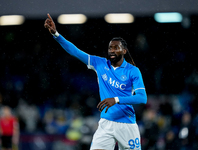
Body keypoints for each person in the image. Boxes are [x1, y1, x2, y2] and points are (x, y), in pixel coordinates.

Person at [44, 13, 147, 150]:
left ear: (124, 51)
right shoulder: (99, 64)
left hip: (127, 124)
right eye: (110, 47)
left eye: (116, 47)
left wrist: (116, 99)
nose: (112, 50)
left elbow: (142, 98)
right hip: (106, 123)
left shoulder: (133, 71)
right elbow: (75, 51)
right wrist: (56, 34)